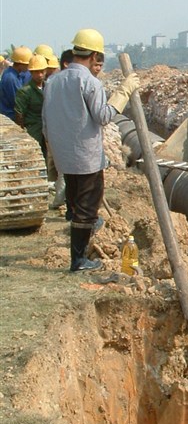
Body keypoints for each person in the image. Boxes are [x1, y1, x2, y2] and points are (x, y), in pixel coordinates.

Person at [42, 28, 139, 272]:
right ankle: (78, 261)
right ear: (95, 55)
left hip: (65, 156)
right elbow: (104, 116)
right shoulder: (89, 82)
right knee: (86, 209)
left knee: (75, 204)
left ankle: (82, 244)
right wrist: (123, 92)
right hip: (86, 157)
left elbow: (46, 120)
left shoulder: (53, 81)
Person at [14, 54, 48, 159]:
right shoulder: (25, 91)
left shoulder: (48, 87)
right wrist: (23, 133)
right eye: (37, 72)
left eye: (42, 71)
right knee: (34, 158)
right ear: (31, 72)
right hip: (33, 130)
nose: (40, 75)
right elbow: (19, 114)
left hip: (47, 129)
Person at [0, 46, 32, 121]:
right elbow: (18, 102)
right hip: (10, 116)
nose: (29, 67)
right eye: (27, 64)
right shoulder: (11, 78)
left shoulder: (12, 73)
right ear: (20, 64)